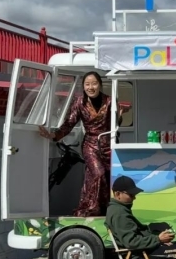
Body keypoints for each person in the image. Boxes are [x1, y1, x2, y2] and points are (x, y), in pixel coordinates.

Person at [38, 71, 128, 217]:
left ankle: (106, 209)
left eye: (94, 84)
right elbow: (69, 123)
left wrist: (120, 117)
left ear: (100, 85)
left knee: (108, 176)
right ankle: (92, 208)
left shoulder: (110, 101)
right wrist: (54, 135)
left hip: (108, 145)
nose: (90, 87)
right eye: (87, 84)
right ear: (83, 86)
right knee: (98, 174)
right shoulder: (80, 102)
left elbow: (115, 124)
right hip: (90, 145)